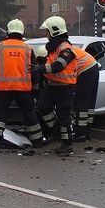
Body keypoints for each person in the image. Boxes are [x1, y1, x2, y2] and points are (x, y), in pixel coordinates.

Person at [0, 19, 44, 150]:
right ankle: (38, 142)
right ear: (22, 32)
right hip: (23, 89)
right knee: (30, 115)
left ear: (8, 31)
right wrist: (35, 90)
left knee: (0, 115)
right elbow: (34, 72)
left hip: (3, 89)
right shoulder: (28, 49)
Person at [32, 16, 77, 155]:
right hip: (53, 85)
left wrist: (40, 69)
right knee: (43, 106)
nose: (46, 35)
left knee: (64, 116)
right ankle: (55, 130)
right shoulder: (54, 47)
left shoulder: (65, 48)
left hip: (64, 87)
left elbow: (59, 66)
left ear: (54, 31)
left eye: (47, 32)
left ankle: (67, 143)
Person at [71, 46, 99, 142]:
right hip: (92, 67)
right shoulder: (67, 48)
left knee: (80, 103)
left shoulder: (60, 53)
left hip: (85, 70)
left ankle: (80, 134)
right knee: (89, 103)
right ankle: (87, 131)